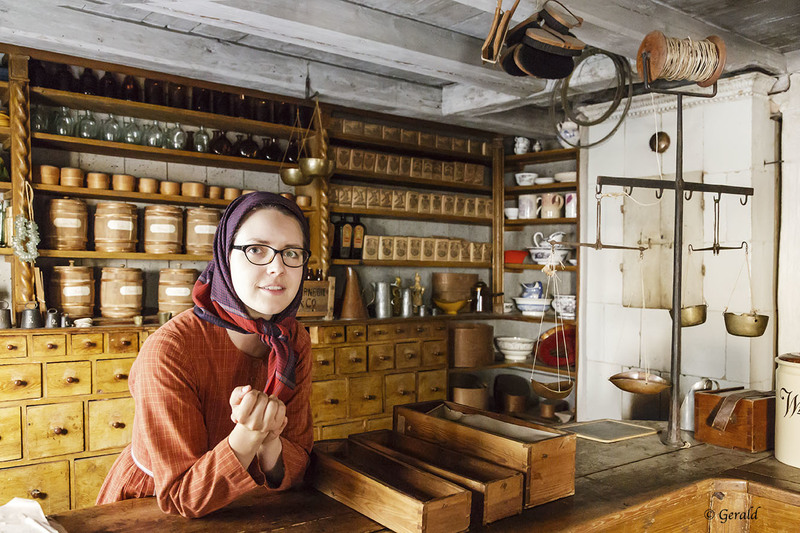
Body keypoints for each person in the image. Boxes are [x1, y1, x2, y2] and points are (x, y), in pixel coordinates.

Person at [96, 192, 313, 518]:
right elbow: (181, 495)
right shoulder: (170, 350)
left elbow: (297, 464)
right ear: (225, 255)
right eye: (256, 249)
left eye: (291, 253)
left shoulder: (292, 340)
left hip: (249, 503)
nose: (277, 267)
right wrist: (249, 434)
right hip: (149, 507)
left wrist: (270, 444)